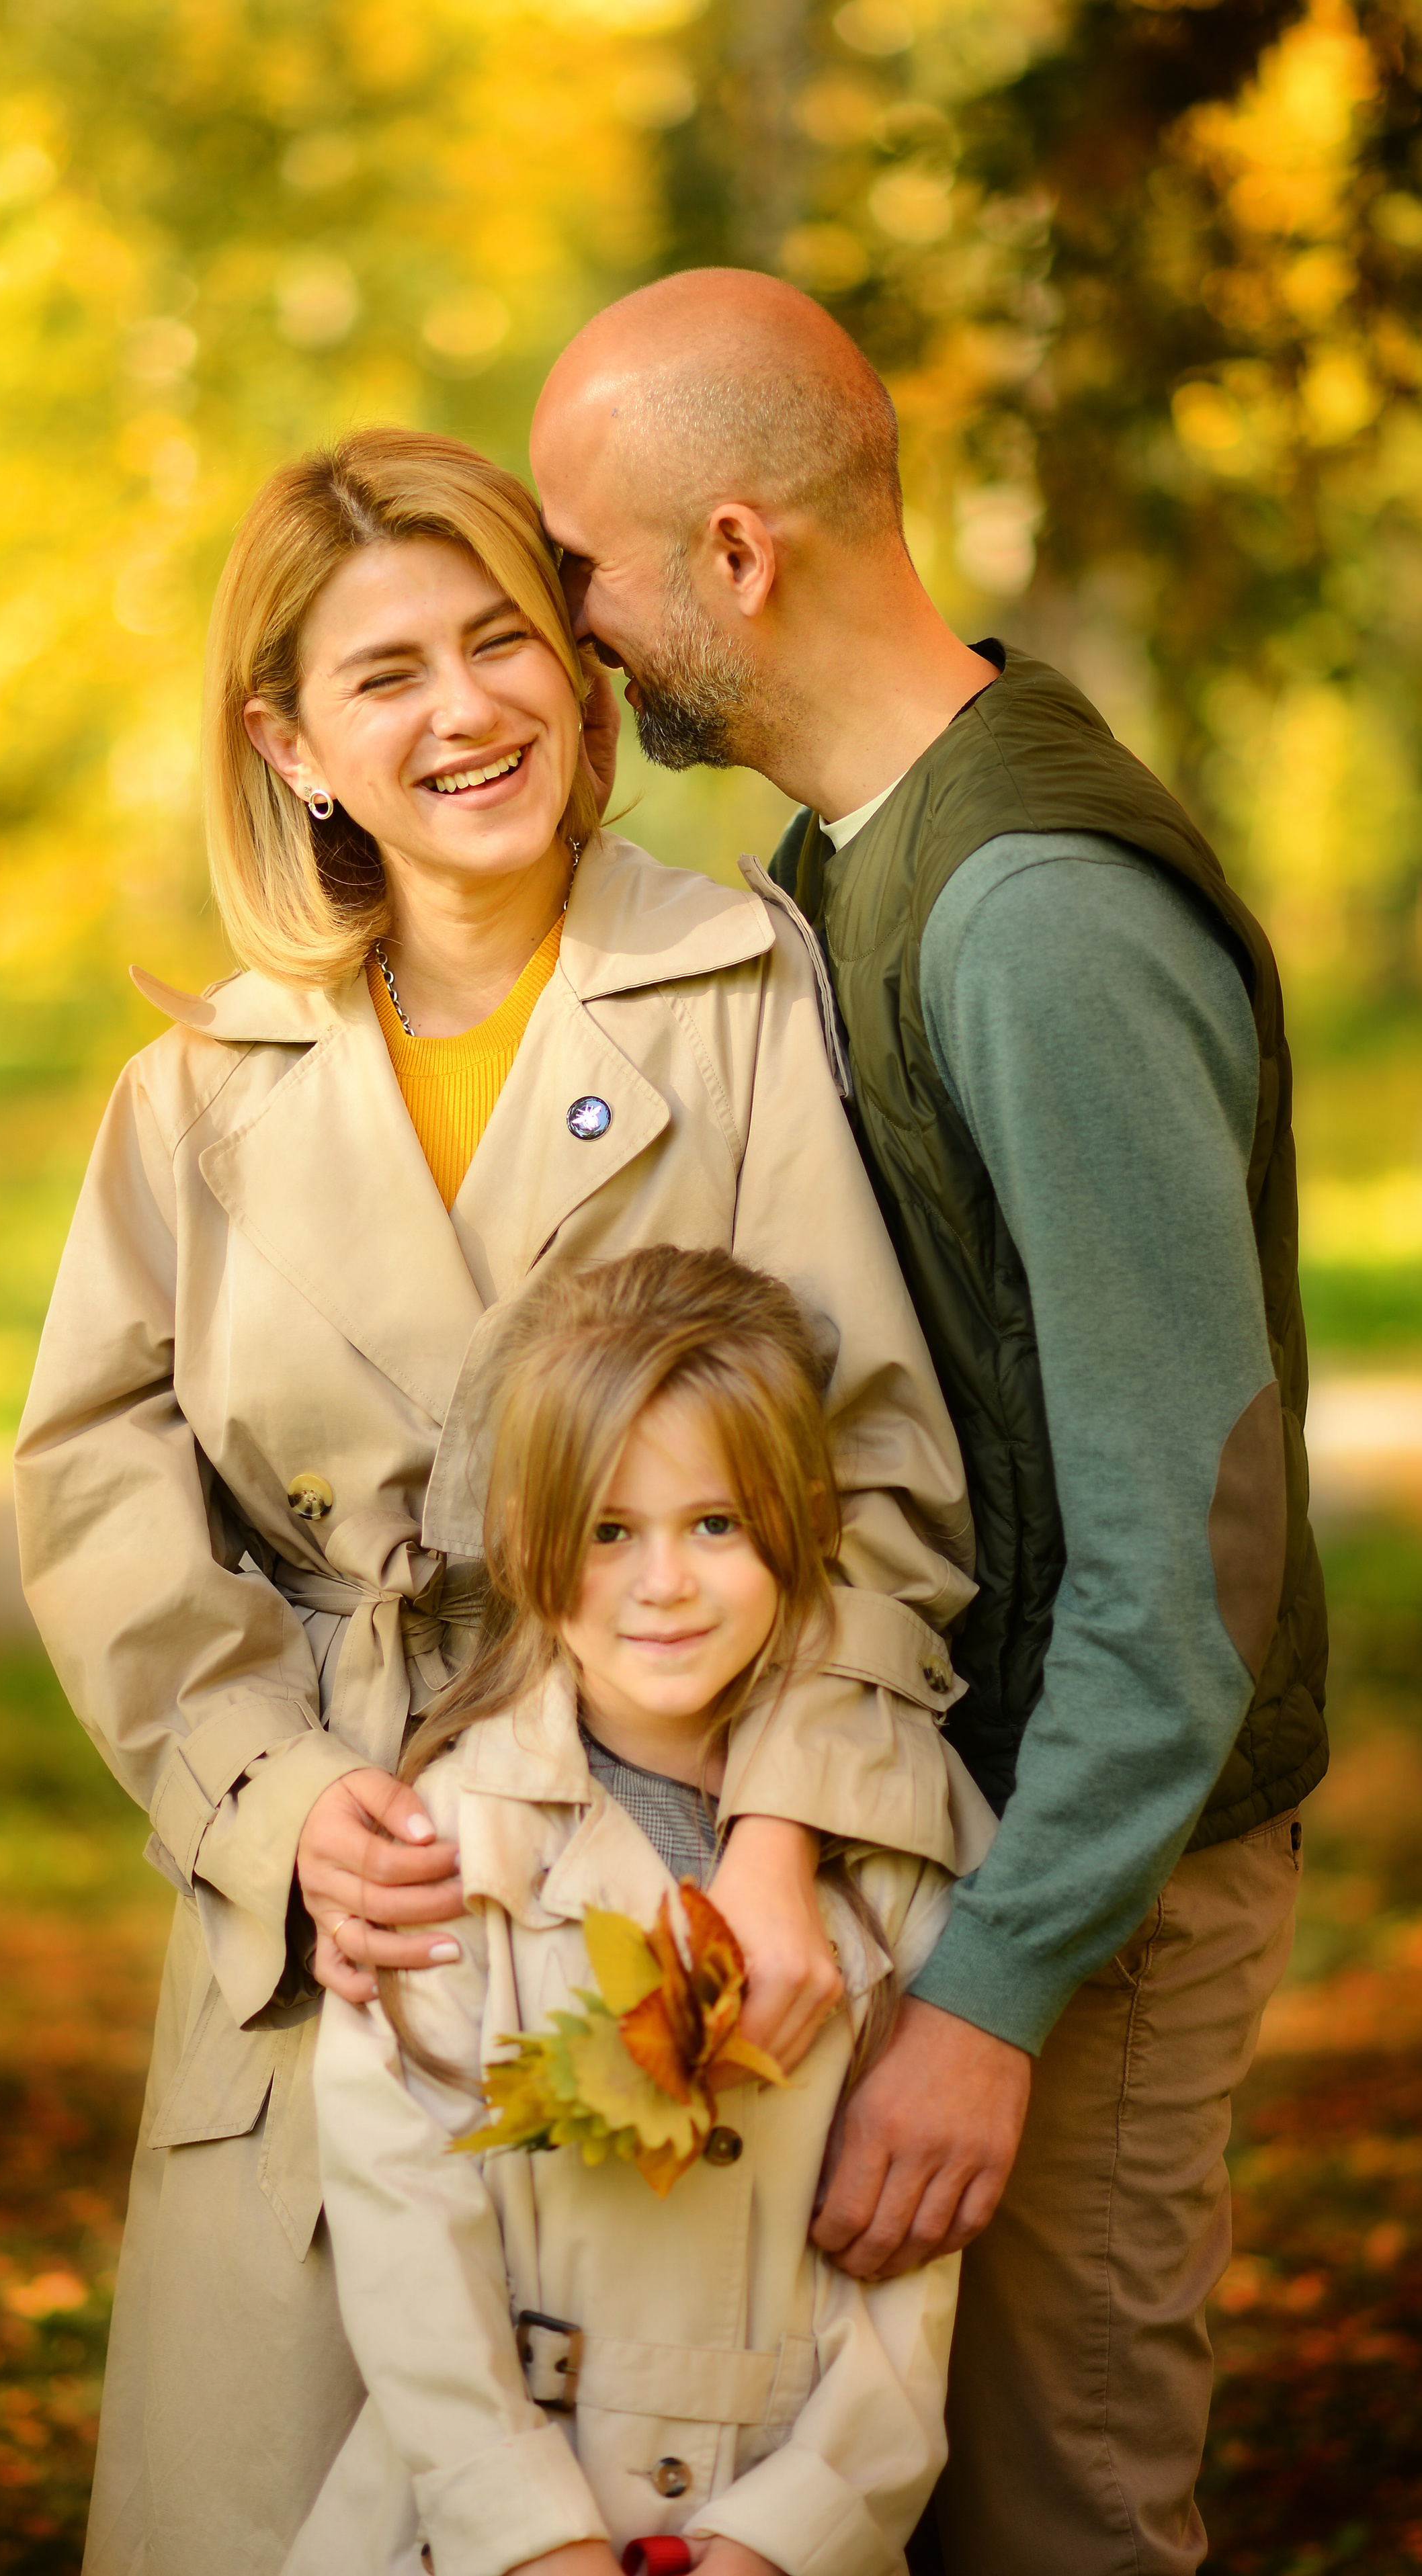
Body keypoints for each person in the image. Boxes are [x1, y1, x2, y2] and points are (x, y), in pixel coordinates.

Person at [13, 425, 978, 2574]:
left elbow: (880, 1469)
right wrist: (275, 1807)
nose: (465, 711)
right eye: (385, 675)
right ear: (291, 745)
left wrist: (788, 1835)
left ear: (575, 661)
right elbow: (98, 1498)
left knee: (663, 2491)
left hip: (681, 1881)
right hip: (356, 1896)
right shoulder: (196, 1093)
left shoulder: (736, 993)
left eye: (500, 640)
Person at [530, 271, 1327, 2576]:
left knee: (1054, 2515)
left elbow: (1192, 1554)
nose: (570, 628)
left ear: (737, 553)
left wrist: (993, 1996)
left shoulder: (1035, 919)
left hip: (1108, 1886)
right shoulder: (850, 861)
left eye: (584, 569)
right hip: (968, 1836)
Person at [288, 1245, 996, 2576]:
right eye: (609, 1533)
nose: (663, 1583)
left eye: (714, 1525)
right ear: (527, 1541)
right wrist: (532, 2538)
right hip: (475, 2533)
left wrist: (785, 2538)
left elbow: (909, 2295)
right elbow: (404, 2232)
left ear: (800, 1524)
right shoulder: (449, 1841)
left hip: (771, 2512)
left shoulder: (888, 1856)